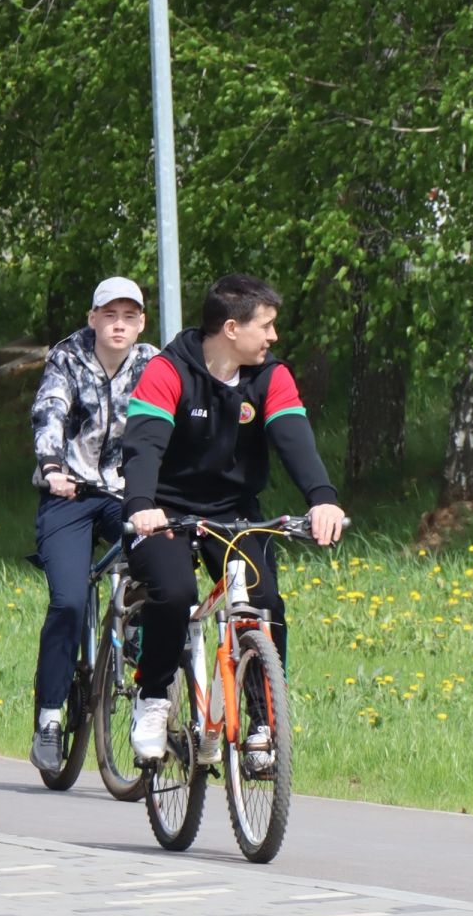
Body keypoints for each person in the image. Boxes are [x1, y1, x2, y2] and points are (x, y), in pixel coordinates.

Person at [120, 273, 346, 767]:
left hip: (235, 510)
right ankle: (153, 697)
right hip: (165, 508)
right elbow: (144, 445)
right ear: (230, 328)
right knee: (175, 592)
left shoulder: (270, 376)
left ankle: (264, 724)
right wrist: (140, 504)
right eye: (265, 326)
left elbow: (293, 437)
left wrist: (322, 498)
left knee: (263, 600)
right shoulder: (167, 371)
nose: (273, 336)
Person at [27, 276, 160, 774]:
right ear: (93, 319)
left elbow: (167, 424)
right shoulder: (67, 357)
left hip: (128, 493)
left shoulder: (153, 363)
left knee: (159, 574)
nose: (119, 324)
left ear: (141, 322)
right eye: (110, 314)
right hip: (70, 491)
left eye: (129, 316)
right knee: (68, 600)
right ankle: (49, 716)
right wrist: (52, 466)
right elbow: (50, 411)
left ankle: (146, 672)